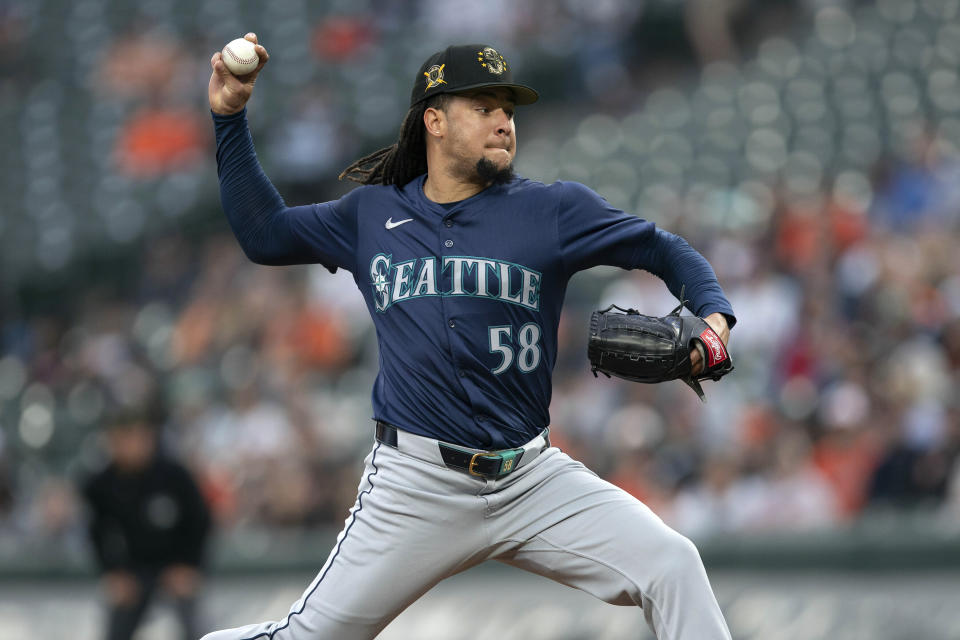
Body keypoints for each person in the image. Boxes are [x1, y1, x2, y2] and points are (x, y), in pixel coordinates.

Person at [205, 35, 735, 640]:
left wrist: (714, 317)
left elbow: (660, 247)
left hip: (531, 477)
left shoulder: (552, 210)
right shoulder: (370, 215)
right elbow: (264, 234)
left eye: (507, 110)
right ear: (434, 120)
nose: (503, 122)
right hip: (416, 485)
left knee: (672, 564)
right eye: (483, 108)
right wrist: (228, 117)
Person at [81, 406, 211, 640]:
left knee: (197, 627)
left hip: (176, 564)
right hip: (133, 568)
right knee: (117, 625)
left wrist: (191, 565)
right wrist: (112, 572)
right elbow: (96, 532)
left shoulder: (175, 475)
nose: (134, 444)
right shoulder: (101, 484)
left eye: (141, 436)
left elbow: (200, 522)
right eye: (125, 437)